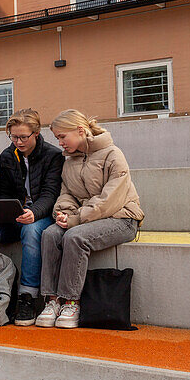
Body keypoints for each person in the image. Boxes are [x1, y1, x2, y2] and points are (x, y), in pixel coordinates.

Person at [36, 109, 143, 328]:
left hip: (122, 218)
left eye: (62, 137)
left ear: (80, 130)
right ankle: (52, 300)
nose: (60, 143)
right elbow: (66, 193)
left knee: (75, 237)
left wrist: (76, 219)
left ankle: (71, 301)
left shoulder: (113, 154)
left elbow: (110, 199)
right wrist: (64, 213)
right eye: (57, 138)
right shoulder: (69, 162)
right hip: (87, 218)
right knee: (50, 233)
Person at [0, 108, 63, 326]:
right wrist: (4, 210)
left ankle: (27, 296)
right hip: (15, 215)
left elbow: (51, 194)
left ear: (36, 133)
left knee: (31, 230)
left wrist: (34, 213)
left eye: (24, 137)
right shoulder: (7, 156)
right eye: (14, 137)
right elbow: (3, 192)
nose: (19, 142)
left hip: (41, 214)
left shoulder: (52, 155)